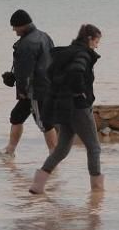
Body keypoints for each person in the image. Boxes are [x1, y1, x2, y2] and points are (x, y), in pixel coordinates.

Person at [30, 24, 104, 194]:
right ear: (89, 39)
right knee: (94, 148)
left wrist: (66, 94)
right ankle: (97, 190)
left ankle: (37, 185)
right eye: (97, 41)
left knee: (62, 149)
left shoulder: (66, 53)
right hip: (78, 108)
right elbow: (76, 73)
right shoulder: (82, 54)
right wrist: (80, 94)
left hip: (64, 107)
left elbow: (49, 73)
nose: (97, 45)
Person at [0, 9, 57, 160]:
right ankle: (9, 151)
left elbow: (26, 71)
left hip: (35, 90)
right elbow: (49, 59)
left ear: (23, 25)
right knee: (16, 117)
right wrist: (13, 76)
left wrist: (21, 89)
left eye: (15, 26)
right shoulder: (44, 36)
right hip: (45, 85)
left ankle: (55, 154)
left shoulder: (28, 43)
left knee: (44, 123)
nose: (13, 30)